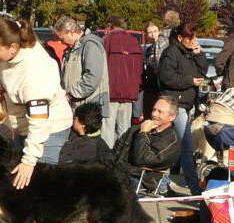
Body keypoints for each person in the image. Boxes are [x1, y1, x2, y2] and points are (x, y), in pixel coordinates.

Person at [0, 18, 73, 223]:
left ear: (13, 48)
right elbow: (4, 78)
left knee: (39, 192)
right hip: (22, 126)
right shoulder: (8, 56)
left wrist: (29, 160)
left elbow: (39, 124)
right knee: (18, 192)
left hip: (50, 128)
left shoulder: (36, 71)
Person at [158, 21, 208, 195]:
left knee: (173, 145)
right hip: (174, 105)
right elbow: (166, 77)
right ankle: (194, 188)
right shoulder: (171, 52)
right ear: (180, 37)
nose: (192, 40)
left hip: (186, 105)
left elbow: (203, 71)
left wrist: (199, 54)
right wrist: (190, 81)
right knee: (186, 147)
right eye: (189, 37)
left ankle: (163, 184)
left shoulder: (190, 52)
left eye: (194, 37)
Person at [53, 16, 112, 147]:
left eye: (62, 38)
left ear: (71, 32)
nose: (61, 42)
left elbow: (92, 77)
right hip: (78, 106)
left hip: (89, 108)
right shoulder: (74, 48)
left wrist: (71, 94)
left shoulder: (90, 45)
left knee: (89, 148)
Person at [113, 96, 180, 193]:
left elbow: (142, 160)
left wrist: (143, 133)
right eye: (154, 109)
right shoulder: (136, 129)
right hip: (119, 171)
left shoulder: (172, 142)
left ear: (171, 117)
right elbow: (116, 150)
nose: (154, 114)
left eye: (160, 112)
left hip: (141, 179)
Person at [103, 16, 143, 146]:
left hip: (109, 92)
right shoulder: (134, 42)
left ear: (110, 26)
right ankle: (123, 159)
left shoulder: (106, 41)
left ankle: (107, 160)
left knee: (107, 129)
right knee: (125, 130)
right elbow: (139, 68)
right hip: (129, 94)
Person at [139, 21, 170, 121]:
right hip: (151, 86)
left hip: (162, 86)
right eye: (150, 32)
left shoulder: (163, 43)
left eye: (155, 31)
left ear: (159, 31)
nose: (153, 34)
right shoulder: (148, 50)